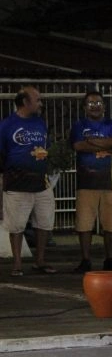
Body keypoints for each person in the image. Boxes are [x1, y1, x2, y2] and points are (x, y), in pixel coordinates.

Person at [0, 86, 56, 276]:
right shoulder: (7, 124)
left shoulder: (40, 123)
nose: (40, 103)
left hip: (41, 182)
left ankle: (40, 260)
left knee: (44, 221)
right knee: (16, 224)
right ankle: (17, 263)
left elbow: (46, 146)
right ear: (25, 102)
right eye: (37, 99)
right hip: (17, 182)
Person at [71, 90, 112, 272]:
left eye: (99, 103)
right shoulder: (79, 125)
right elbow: (78, 145)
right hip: (86, 181)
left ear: (104, 106)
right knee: (84, 223)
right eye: (91, 103)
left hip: (111, 181)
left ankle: (109, 259)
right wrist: (105, 143)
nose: (95, 106)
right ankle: (85, 259)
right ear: (85, 107)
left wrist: (91, 141)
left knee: (111, 223)